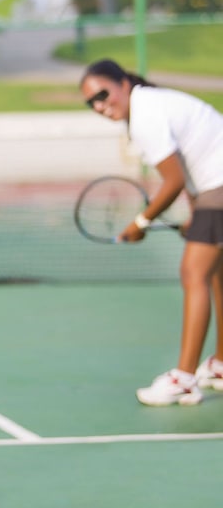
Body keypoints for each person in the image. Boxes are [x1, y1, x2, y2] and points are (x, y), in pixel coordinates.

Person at [80, 58, 223, 407]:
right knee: (216, 274)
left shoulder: (145, 113)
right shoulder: (151, 103)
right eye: (91, 102)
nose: (100, 105)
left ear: (123, 85)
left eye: (103, 94)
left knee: (193, 273)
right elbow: (195, 162)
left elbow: (173, 180)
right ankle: (219, 366)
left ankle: (184, 379)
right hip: (213, 184)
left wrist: (139, 223)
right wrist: (194, 216)